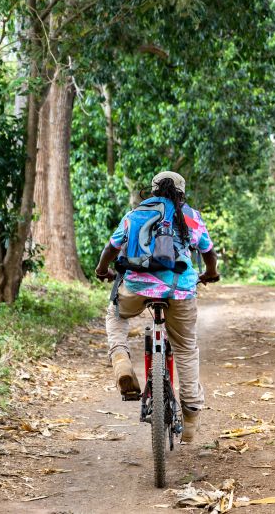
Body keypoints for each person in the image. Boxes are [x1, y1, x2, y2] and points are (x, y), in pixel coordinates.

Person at [95, 171, 219, 442]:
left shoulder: (134, 214)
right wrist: (210, 272)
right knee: (186, 348)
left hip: (137, 286)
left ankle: (121, 362)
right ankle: (190, 417)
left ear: (152, 190)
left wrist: (101, 269)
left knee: (116, 316)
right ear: (182, 192)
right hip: (179, 290)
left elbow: (111, 247)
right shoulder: (191, 216)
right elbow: (208, 252)